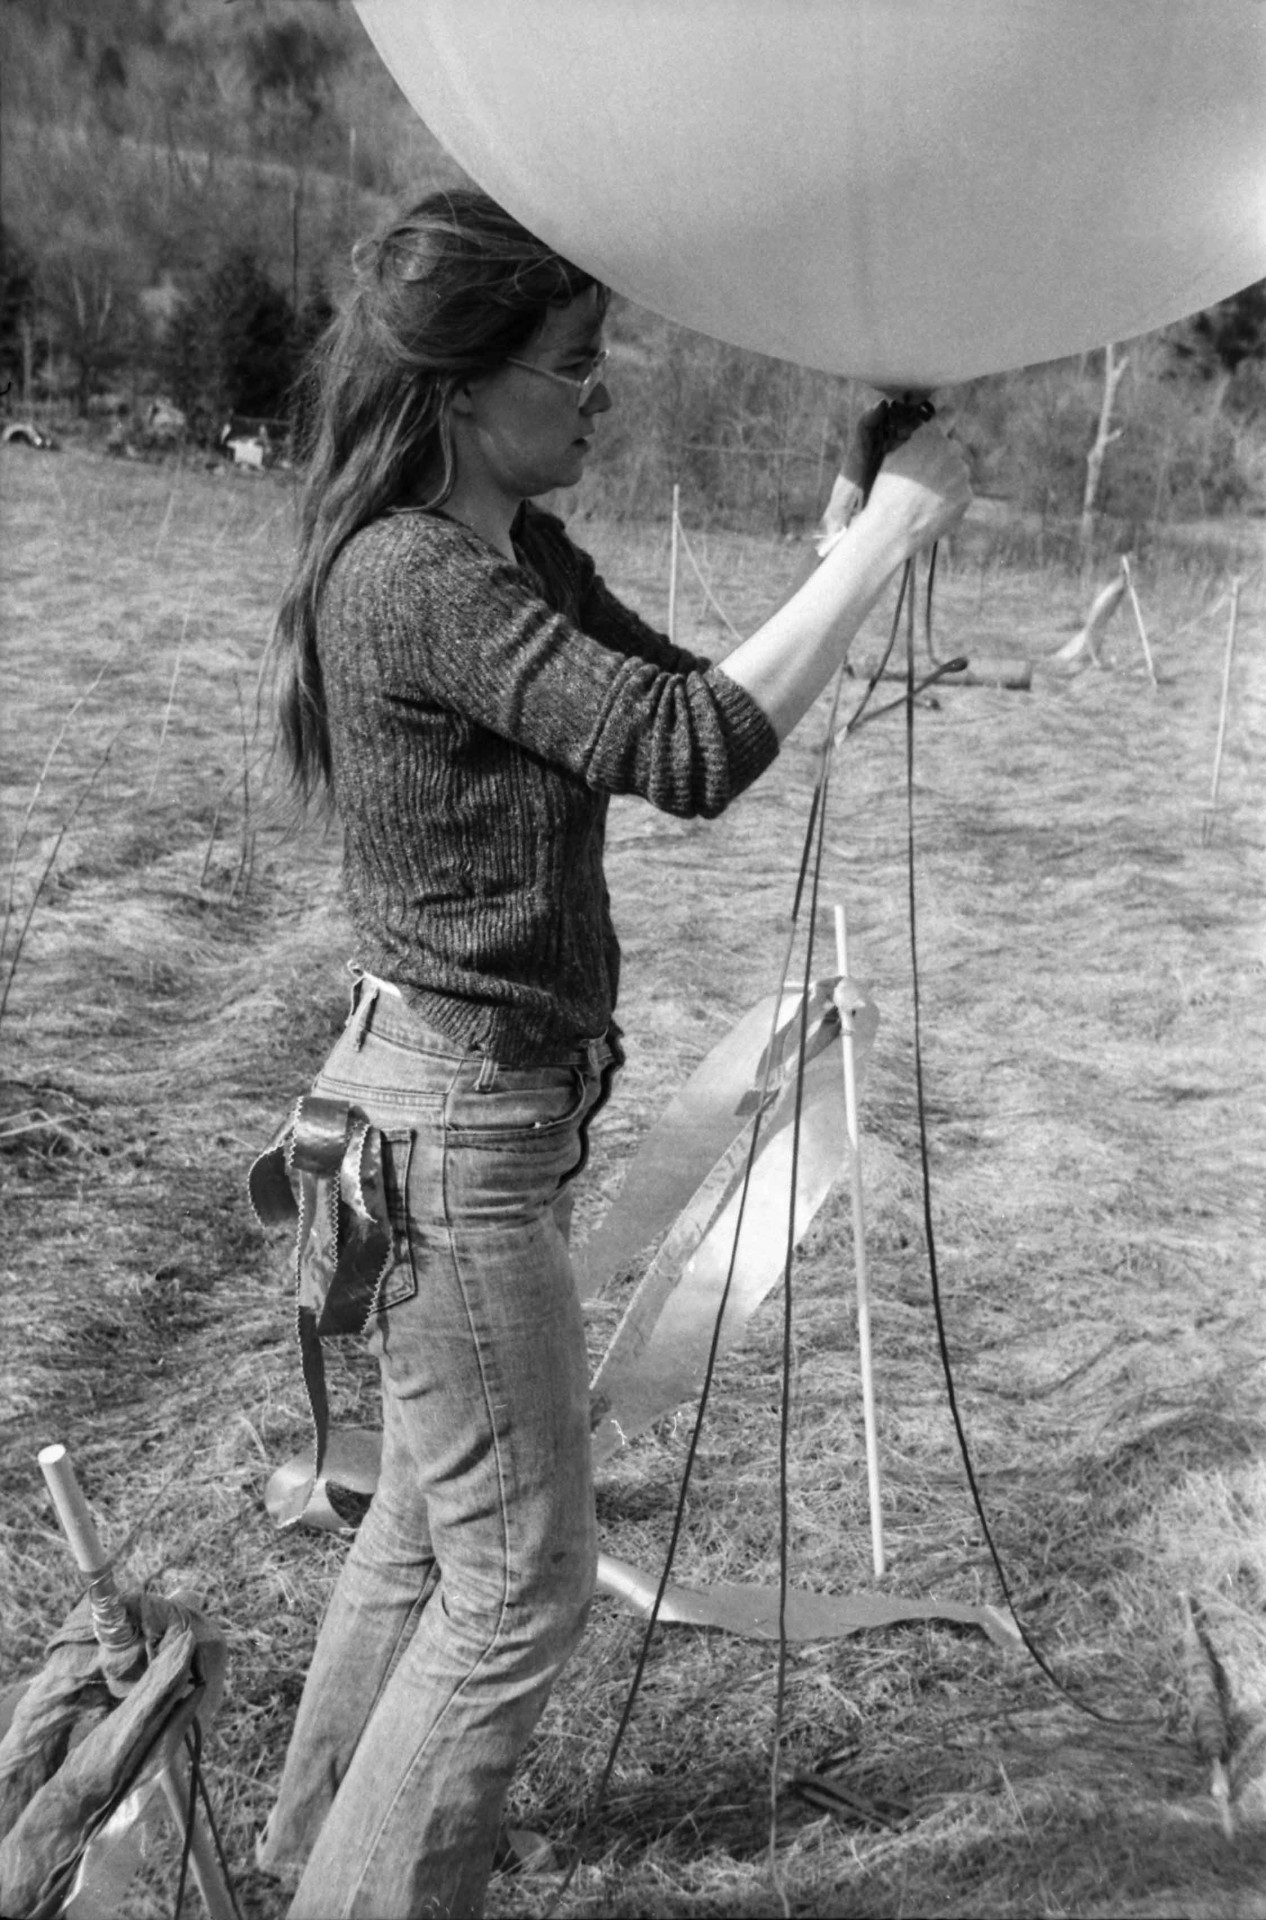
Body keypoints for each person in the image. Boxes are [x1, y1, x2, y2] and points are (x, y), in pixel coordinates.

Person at [256, 185, 970, 1919]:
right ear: (462, 387)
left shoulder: (502, 553)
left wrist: (844, 537)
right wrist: (880, 545)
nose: (604, 392)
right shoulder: (416, 577)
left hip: (450, 1106)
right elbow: (690, 749)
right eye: (572, 366)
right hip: (453, 1130)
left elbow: (692, 699)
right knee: (523, 1588)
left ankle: (297, 1858)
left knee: (436, 1522)